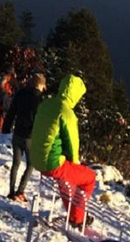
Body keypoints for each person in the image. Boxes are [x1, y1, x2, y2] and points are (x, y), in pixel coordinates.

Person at [31, 74, 96, 229]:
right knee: (89, 178)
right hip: (51, 163)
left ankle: (74, 215)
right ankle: (77, 219)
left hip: (36, 157)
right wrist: (76, 165)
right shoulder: (67, 113)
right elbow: (73, 146)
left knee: (66, 176)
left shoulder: (46, 104)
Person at [2, 73, 47, 202]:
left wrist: (6, 127)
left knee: (15, 163)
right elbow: (40, 120)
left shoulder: (21, 93)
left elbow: (12, 111)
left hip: (17, 132)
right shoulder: (39, 99)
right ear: (40, 84)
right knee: (31, 164)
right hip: (30, 135)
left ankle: (11, 191)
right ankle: (20, 191)